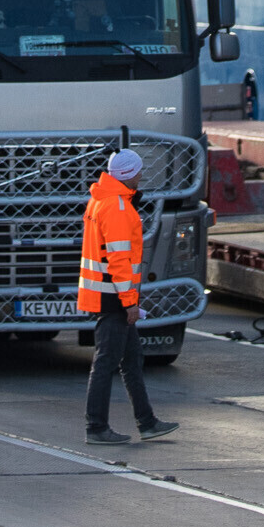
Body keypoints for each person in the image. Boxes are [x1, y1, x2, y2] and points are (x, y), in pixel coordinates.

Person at [79, 147, 178, 446]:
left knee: (132, 360)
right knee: (106, 361)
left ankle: (147, 423)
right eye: (138, 171)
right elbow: (120, 262)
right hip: (114, 297)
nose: (141, 175)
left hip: (106, 293)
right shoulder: (118, 208)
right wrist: (130, 303)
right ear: (129, 174)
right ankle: (96, 427)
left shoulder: (101, 199)